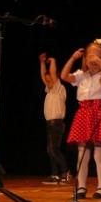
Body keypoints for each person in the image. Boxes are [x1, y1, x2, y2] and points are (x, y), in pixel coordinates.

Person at [61, 39, 101, 199]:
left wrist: (100, 63)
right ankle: (81, 187)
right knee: (82, 154)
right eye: (90, 56)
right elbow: (64, 76)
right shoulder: (81, 76)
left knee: (99, 154)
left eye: (98, 56)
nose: (93, 59)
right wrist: (73, 58)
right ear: (85, 59)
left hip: (99, 113)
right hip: (84, 114)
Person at [39, 53, 70, 184]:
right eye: (47, 81)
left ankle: (65, 172)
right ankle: (55, 174)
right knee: (50, 149)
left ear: (56, 79)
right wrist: (42, 63)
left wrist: (53, 62)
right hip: (50, 123)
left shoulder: (59, 88)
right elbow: (43, 76)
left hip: (57, 123)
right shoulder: (50, 90)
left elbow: (52, 73)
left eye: (50, 79)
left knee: (53, 149)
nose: (48, 82)